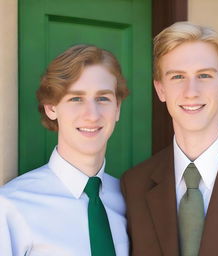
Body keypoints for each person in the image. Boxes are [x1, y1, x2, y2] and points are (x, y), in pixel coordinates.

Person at [121, 22, 218, 256]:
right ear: (160, 89)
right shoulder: (134, 185)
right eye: (177, 77)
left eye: (204, 75)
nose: (191, 91)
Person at [0, 45, 129, 256]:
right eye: (76, 98)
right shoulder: (10, 206)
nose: (92, 115)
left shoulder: (130, 200)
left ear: (117, 108)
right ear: (51, 107)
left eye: (103, 98)